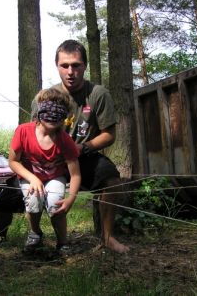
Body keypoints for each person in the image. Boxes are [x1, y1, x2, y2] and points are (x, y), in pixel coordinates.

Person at [32, 39, 129, 253]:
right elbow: (33, 131)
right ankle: (2, 235)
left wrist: (82, 148)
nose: (70, 71)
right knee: (11, 189)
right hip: (48, 159)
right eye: (64, 65)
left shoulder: (98, 94)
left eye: (76, 65)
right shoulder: (45, 97)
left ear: (84, 66)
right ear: (56, 66)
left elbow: (109, 135)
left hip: (82, 156)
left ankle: (107, 237)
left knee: (112, 179)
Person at [8, 88, 81, 252]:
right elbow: (13, 161)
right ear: (39, 111)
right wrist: (32, 178)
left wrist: (71, 199)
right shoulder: (23, 131)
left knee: (56, 206)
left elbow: (75, 174)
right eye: (48, 111)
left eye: (59, 112)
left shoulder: (65, 140)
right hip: (29, 176)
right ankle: (35, 233)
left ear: (65, 116)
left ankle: (62, 242)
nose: (53, 116)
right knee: (33, 200)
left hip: (55, 177)